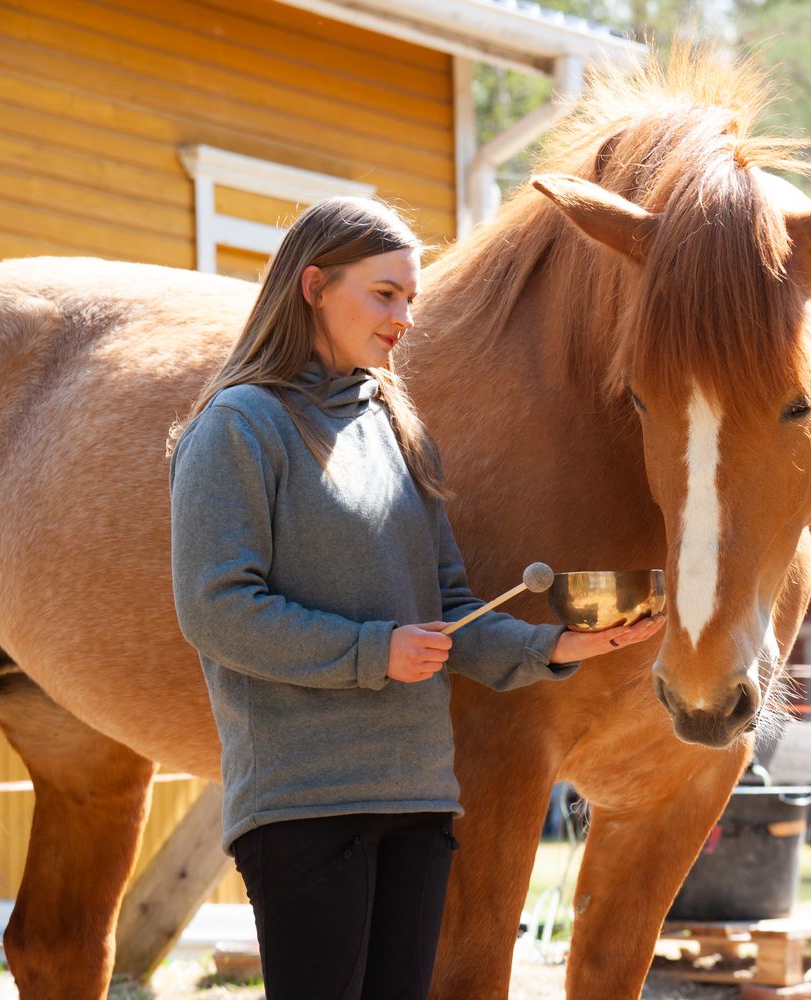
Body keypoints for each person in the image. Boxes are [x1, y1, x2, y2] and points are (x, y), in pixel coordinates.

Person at [167, 196, 663, 999]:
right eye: (384, 294)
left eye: (411, 300)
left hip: (421, 803)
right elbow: (217, 608)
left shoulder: (397, 429)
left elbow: (450, 614)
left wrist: (557, 648)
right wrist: (375, 652)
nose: (404, 319)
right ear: (313, 286)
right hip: (306, 808)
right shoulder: (236, 428)